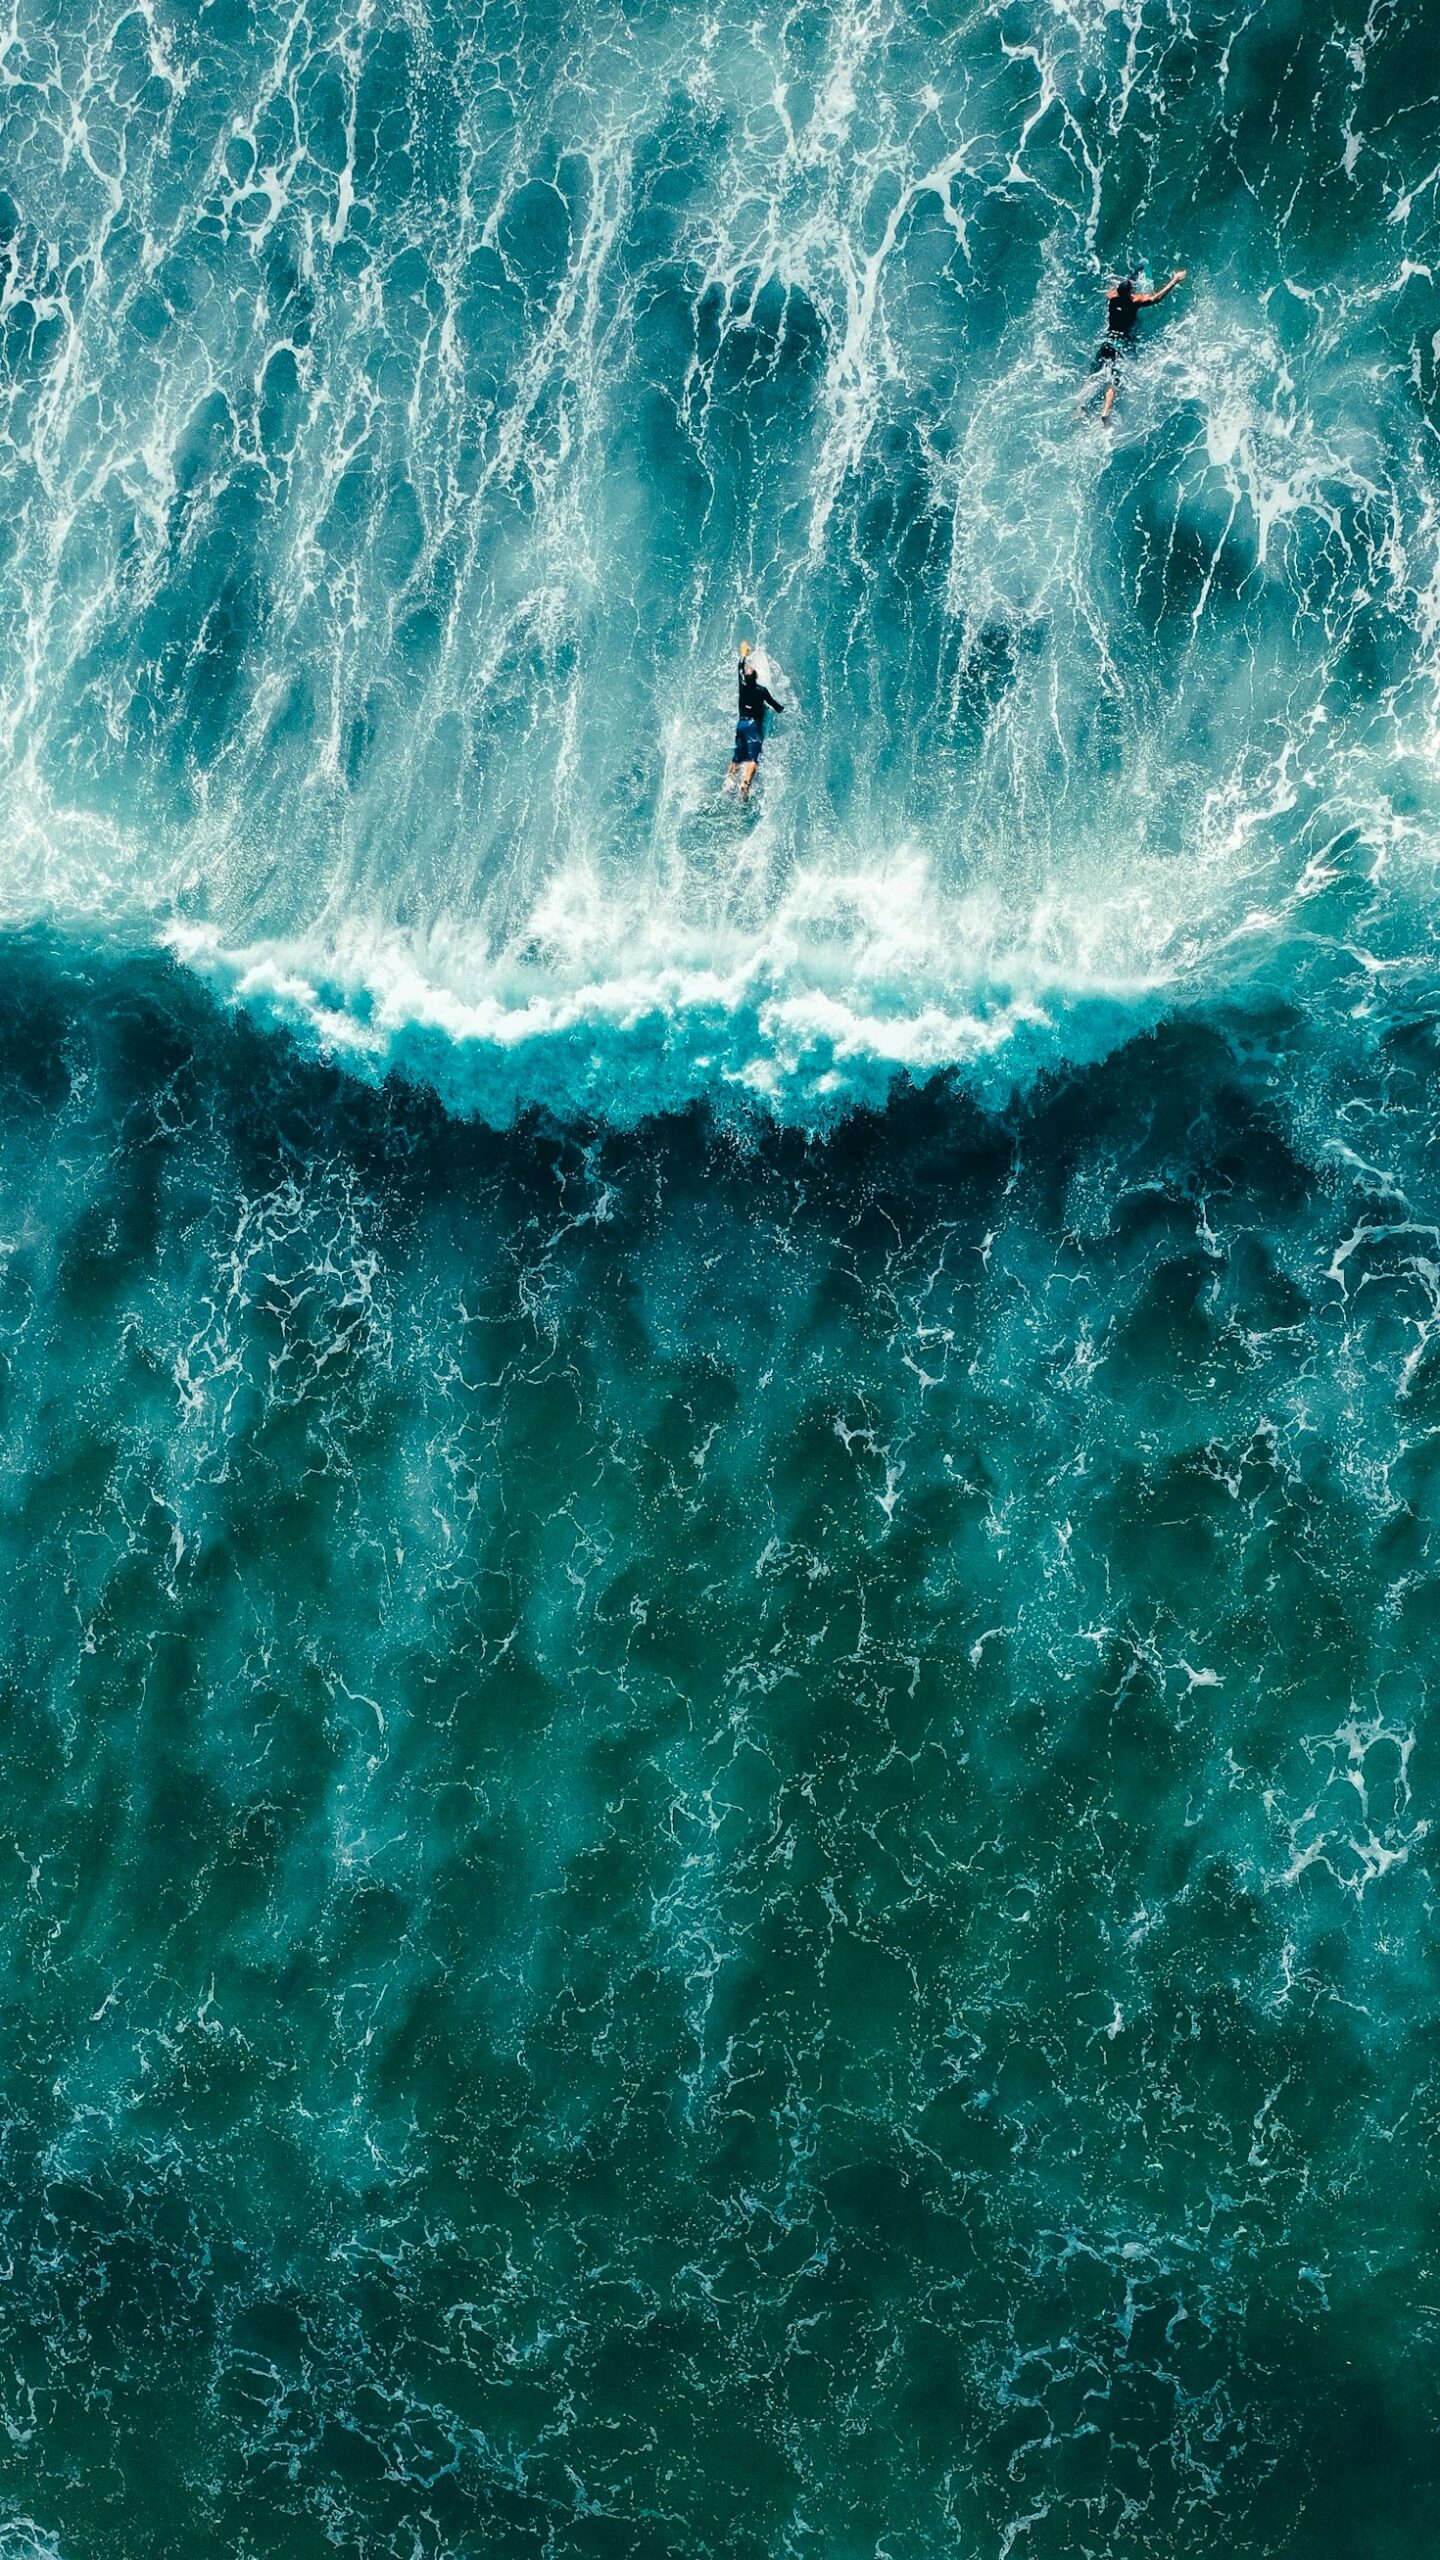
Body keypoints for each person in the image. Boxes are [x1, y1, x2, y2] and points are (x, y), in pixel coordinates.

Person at [1082, 267, 1187, 420]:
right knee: (1112, 382)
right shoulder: (1134, 302)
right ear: (1130, 294)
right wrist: (1174, 281)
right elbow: (1155, 298)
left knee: (1093, 376)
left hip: (1106, 343)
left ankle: (1082, 406)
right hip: (1118, 346)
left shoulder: (1112, 299)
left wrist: (1130, 278)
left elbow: (1115, 291)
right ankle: (1105, 413)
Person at [726, 640, 785, 800]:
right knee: (753, 758)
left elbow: (739, 668)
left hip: (741, 725)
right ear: (756, 677)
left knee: (737, 756)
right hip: (754, 727)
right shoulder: (762, 690)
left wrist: (743, 654)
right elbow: (775, 705)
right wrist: (784, 710)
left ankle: (730, 780)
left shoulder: (742, 686)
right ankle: (746, 782)